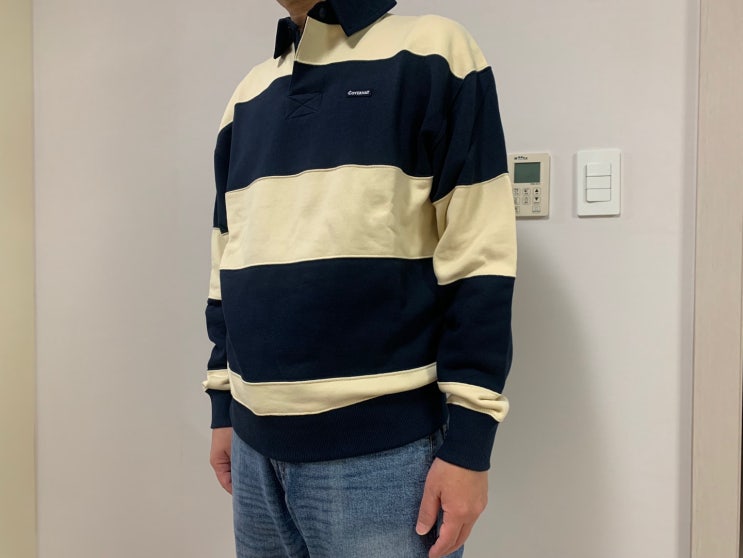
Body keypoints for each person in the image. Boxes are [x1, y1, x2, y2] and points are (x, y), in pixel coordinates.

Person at [203, 0, 517, 556]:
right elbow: (227, 257)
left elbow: (479, 257)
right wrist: (223, 405)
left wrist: (470, 444)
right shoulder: (248, 94)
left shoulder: (433, 52)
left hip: (387, 461)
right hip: (252, 455)